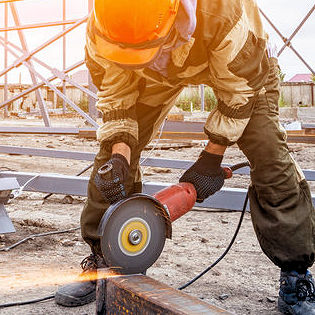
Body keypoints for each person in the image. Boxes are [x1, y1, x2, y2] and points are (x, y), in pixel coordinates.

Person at [55, 0, 315, 313]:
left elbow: (238, 94)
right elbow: (116, 95)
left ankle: (296, 274)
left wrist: (211, 158)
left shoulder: (222, 14)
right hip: (156, 71)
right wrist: (121, 154)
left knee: (268, 151)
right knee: (109, 163)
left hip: (243, 70)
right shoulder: (104, 27)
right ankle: (106, 260)